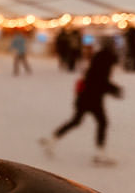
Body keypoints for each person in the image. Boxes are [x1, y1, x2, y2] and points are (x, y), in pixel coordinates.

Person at [39, 36, 123, 165]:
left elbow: (95, 78)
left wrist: (111, 88)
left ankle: (53, 139)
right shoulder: (105, 59)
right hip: (92, 97)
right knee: (101, 122)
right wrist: (113, 89)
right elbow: (98, 80)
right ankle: (100, 154)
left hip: (85, 96)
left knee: (77, 121)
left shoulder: (100, 57)